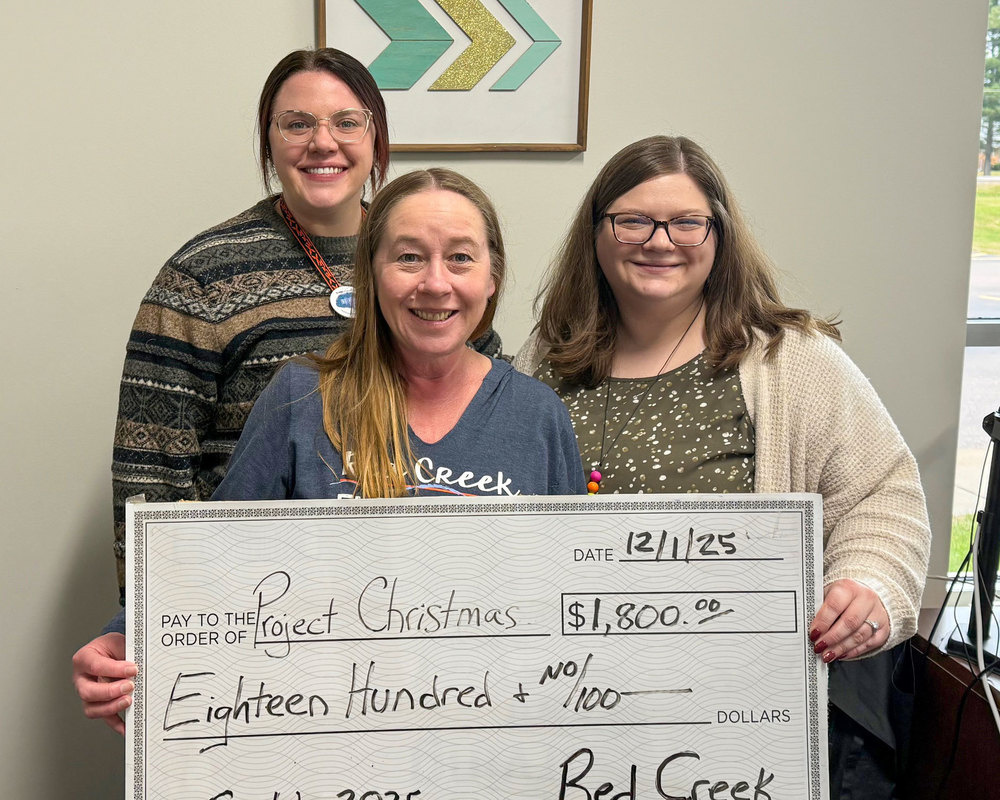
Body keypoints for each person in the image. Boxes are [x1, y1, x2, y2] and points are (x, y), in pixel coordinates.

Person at [74, 168, 585, 733]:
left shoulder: (538, 417)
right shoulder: (301, 399)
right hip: (321, 728)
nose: (436, 283)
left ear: (492, 278)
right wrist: (127, 638)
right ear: (370, 275)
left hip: (486, 735)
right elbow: (214, 564)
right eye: (409, 258)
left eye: (461, 258)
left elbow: (569, 605)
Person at [514, 135, 931, 797]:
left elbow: (883, 494)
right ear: (595, 233)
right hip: (583, 700)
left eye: (687, 222)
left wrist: (868, 585)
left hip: (741, 704)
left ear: (719, 236)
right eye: (632, 220)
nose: (660, 241)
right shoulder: (548, 358)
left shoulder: (790, 358)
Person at [108, 46, 503, 607]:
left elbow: (484, 408)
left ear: (376, 138)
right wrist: (153, 617)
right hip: (259, 594)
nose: (323, 143)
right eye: (297, 124)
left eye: (347, 122)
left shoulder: (430, 260)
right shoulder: (202, 277)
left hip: (431, 584)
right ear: (268, 142)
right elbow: (148, 478)